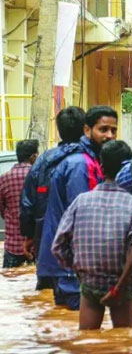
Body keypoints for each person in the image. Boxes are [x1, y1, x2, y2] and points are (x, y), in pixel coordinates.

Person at [52, 140, 132, 330]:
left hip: (90, 281)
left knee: (87, 342)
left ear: (101, 167)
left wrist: (78, 270)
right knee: (124, 342)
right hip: (122, 285)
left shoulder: (80, 201)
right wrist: (118, 286)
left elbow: (58, 245)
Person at [38, 105, 118, 310]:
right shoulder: (81, 164)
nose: (109, 135)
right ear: (87, 130)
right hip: (72, 264)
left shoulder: (88, 159)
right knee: (82, 322)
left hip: (68, 263)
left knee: (71, 330)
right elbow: (83, 217)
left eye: (113, 130)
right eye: (103, 129)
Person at [20, 106, 86, 289]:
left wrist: (28, 235)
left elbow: (27, 202)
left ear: (59, 130)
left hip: (45, 238)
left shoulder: (43, 161)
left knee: (48, 295)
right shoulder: (90, 159)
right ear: (85, 128)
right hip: (82, 241)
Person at [1, 139, 39, 268]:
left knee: (10, 282)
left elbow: (1, 210)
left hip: (13, 246)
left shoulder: (4, 179)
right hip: (36, 245)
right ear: (34, 157)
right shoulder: (40, 176)